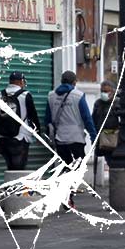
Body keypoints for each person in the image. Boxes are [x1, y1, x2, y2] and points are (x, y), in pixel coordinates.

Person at [45, 71, 97, 210]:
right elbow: (87, 118)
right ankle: (67, 195)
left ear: (62, 81)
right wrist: (93, 136)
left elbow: (47, 119)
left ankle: (66, 196)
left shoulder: (51, 96)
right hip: (76, 138)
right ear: (74, 82)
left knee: (66, 167)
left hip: (59, 138)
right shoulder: (78, 95)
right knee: (78, 169)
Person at [0, 71, 40, 171]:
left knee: (10, 168)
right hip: (20, 138)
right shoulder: (25, 95)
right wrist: (38, 134)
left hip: (2, 139)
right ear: (21, 82)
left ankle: (10, 186)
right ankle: (14, 187)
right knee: (19, 170)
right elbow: (33, 116)